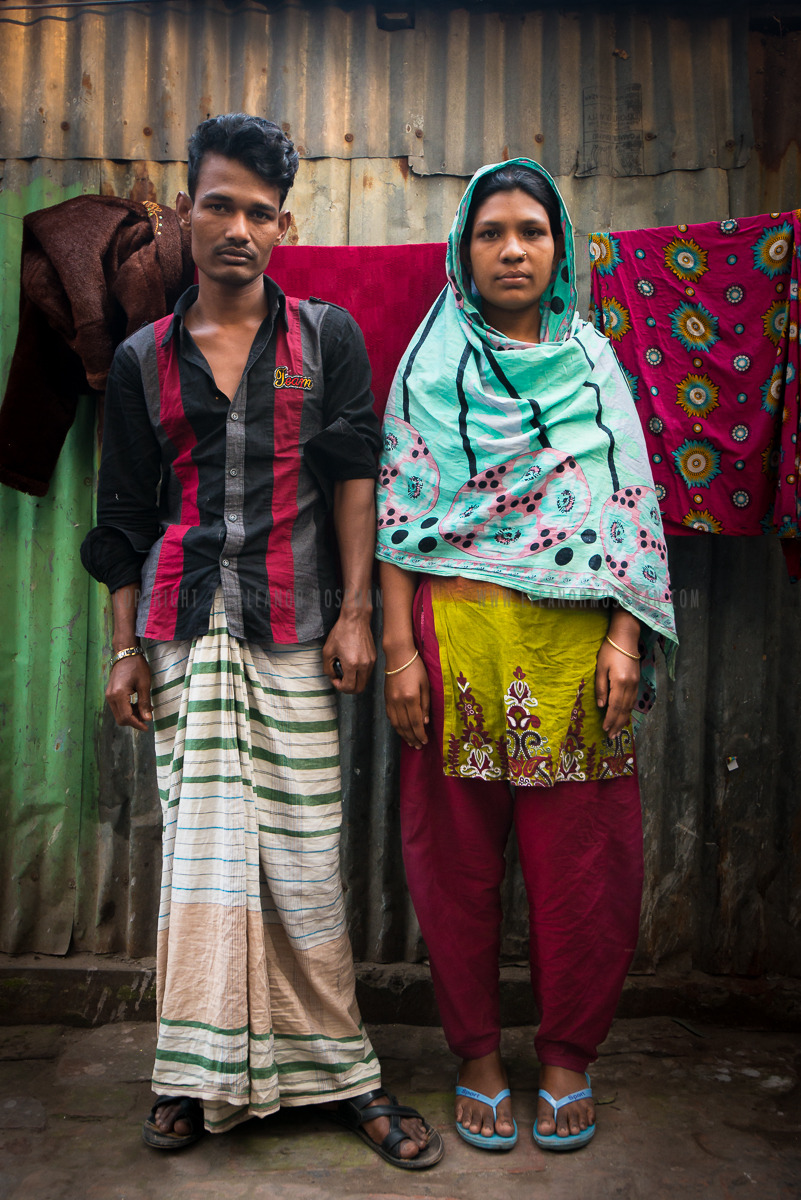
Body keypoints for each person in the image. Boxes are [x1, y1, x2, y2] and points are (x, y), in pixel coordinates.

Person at [81, 113, 442, 1169]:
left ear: (286, 224)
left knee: (300, 861)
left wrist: (360, 609)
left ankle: (342, 1070)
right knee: (201, 862)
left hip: (295, 629)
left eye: (258, 210)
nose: (236, 226)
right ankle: (190, 1074)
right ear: (185, 210)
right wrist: (122, 649)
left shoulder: (325, 339)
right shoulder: (144, 358)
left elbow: (356, 475)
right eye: (218, 204)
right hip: (184, 630)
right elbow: (121, 519)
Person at [377, 159, 678, 1152]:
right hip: (455, 639)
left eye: (533, 232)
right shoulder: (428, 369)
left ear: (558, 250)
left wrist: (629, 637)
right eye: (491, 232)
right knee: (452, 859)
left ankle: (566, 1060)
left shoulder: (595, 367)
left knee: (583, 864)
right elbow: (397, 521)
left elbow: (631, 510)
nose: (512, 249)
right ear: (463, 251)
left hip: (577, 650)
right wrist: (398, 654)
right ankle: (474, 1057)